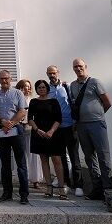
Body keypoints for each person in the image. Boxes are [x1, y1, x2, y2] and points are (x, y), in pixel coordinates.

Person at [70, 58, 112, 200]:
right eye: (75, 67)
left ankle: (108, 190)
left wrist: (97, 115)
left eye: (80, 66)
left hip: (96, 124)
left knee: (103, 156)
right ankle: (97, 188)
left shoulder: (95, 82)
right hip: (82, 125)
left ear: (85, 66)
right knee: (89, 157)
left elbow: (107, 103)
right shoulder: (73, 85)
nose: (78, 68)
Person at [0, 70, 29, 204]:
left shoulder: (18, 93)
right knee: (5, 163)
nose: (4, 81)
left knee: (21, 163)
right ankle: (7, 192)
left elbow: (22, 111)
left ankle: (24, 194)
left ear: (10, 79)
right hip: (1, 129)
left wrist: (11, 123)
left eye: (6, 78)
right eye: (1, 79)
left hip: (16, 129)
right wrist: (2, 122)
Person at [46, 65, 83, 197]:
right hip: (56, 128)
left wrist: (75, 122)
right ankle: (66, 182)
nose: (52, 75)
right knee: (61, 157)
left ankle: (78, 185)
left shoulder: (66, 87)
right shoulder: (46, 89)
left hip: (69, 126)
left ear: (58, 73)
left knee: (74, 156)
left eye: (53, 73)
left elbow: (73, 102)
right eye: (49, 73)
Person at [27, 80, 67, 200]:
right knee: (43, 160)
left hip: (53, 133)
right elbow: (30, 118)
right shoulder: (33, 102)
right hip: (39, 133)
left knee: (56, 160)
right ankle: (49, 187)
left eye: (44, 87)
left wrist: (51, 131)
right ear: (37, 89)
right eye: (39, 87)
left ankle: (61, 188)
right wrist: (37, 130)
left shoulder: (54, 101)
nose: (41, 89)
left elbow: (58, 118)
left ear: (47, 89)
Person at [15, 79, 44, 189]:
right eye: (23, 87)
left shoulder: (33, 100)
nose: (26, 88)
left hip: (32, 129)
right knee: (22, 154)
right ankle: (24, 179)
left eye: (28, 86)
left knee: (34, 155)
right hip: (20, 129)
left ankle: (35, 179)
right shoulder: (16, 99)